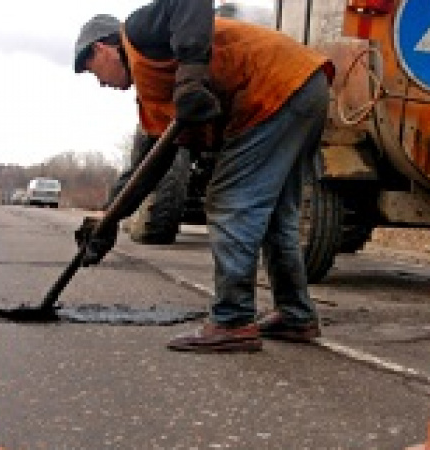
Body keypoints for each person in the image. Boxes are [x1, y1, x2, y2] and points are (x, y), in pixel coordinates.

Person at [72, 1, 333, 353]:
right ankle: (294, 314)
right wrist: (109, 217)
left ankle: (232, 320)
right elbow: (149, 165)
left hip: (276, 86)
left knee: (230, 201)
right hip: (301, 85)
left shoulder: (139, 32)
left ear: (102, 48)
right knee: (275, 216)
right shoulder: (153, 90)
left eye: (93, 72)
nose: (102, 84)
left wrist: (190, 79)